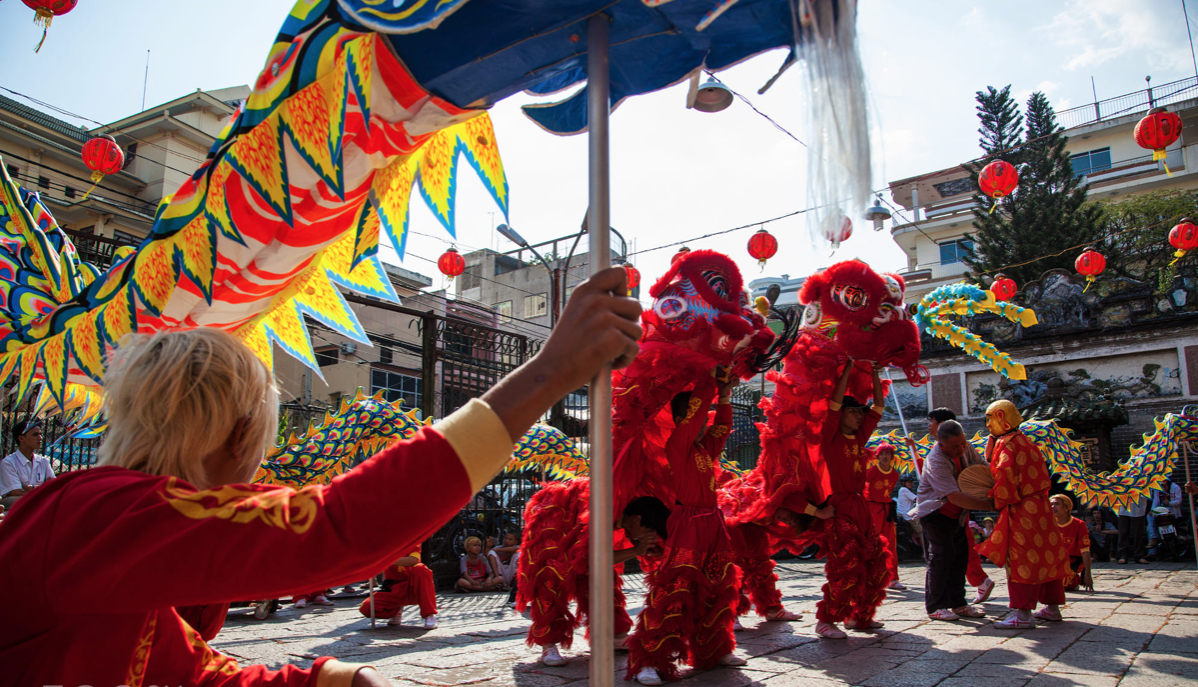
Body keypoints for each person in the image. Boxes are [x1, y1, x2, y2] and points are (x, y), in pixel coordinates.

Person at [0, 266, 643, 687]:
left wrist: (330, 679)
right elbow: (338, 524)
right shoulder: (95, 512)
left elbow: (198, 677)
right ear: (237, 436)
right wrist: (549, 373)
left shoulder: (110, 533)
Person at [628, 373, 746, 684]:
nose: (704, 424)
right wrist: (709, 378)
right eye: (697, 417)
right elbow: (697, 418)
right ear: (682, 419)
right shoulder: (677, 444)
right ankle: (650, 660)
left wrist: (724, 395)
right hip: (688, 526)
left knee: (717, 587)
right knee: (675, 589)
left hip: (712, 524)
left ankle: (714, 648)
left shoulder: (704, 448)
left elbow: (722, 427)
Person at [516, 487, 669, 667]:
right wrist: (637, 550)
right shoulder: (603, 513)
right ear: (636, 519)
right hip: (554, 529)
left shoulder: (628, 510)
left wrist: (647, 548)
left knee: (602, 579)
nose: (650, 536)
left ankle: (615, 635)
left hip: (581, 533)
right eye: (649, 530)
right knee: (551, 578)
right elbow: (594, 558)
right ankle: (548, 643)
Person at [804, 362, 891, 640]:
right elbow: (834, 402)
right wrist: (848, 367)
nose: (857, 417)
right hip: (840, 508)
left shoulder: (860, 436)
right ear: (840, 415)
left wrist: (875, 373)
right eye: (852, 412)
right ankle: (827, 620)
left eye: (858, 413)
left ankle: (860, 616)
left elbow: (877, 407)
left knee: (875, 561)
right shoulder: (830, 435)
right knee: (846, 564)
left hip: (861, 506)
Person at [975, 400, 1071, 629]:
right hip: (1041, 507)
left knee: (1021, 559)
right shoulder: (1026, 441)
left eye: (989, 418)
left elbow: (1005, 476)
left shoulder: (1007, 444)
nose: (987, 424)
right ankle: (1052, 608)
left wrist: (996, 501)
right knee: (1046, 556)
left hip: (1021, 508)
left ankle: (1023, 613)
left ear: (1001, 417)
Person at [915, 406, 995, 604]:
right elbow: (954, 497)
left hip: (957, 514)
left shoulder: (964, 446)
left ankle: (959, 604)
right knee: (941, 560)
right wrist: (992, 505)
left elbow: (982, 466)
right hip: (935, 513)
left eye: (962, 443)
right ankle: (936, 607)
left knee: (960, 558)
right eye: (954, 447)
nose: (960, 449)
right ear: (941, 444)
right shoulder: (936, 460)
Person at [360, 546, 437, 628]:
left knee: (421, 569)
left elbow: (414, 560)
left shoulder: (412, 539)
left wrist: (388, 560)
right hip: (394, 589)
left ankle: (429, 615)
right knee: (367, 607)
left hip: (413, 588)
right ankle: (395, 611)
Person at [864, 443, 902, 589]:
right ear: (877, 456)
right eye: (882, 453)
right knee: (872, 543)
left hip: (887, 510)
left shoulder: (895, 474)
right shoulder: (871, 472)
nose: (885, 456)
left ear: (892, 456)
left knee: (891, 544)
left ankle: (893, 578)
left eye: (888, 453)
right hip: (873, 509)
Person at [0, 420, 54, 510]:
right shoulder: (8, 462)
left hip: (35, 498)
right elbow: (16, 492)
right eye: (35, 435)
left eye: (40, 434)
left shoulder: (43, 461)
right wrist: (44, 488)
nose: (40, 438)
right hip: (13, 501)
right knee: (29, 501)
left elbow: (54, 486)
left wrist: (31, 488)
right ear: (21, 438)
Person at [1051, 495, 1093, 593]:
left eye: (1056, 504)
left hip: (1071, 562)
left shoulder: (1079, 525)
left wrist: (1088, 575)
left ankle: (1075, 580)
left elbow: (1085, 550)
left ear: (1066, 508)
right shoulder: (1049, 524)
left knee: (1065, 582)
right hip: (1053, 561)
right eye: (1051, 504)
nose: (1053, 507)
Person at [1116, 493, 1150, 565]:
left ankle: (1139, 555)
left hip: (1138, 503)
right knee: (1123, 531)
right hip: (1123, 501)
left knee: (1138, 531)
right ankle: (1123, 555)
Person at [897, 476, 921, 549]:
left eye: (911, 482)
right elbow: (917, 499)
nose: (910, 484)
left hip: (905, 514)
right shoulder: (904, 490)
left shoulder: (903, 490)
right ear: (903, 483)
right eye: (908, 482)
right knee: (922, 533)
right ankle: (925, 553)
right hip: (908, 516)